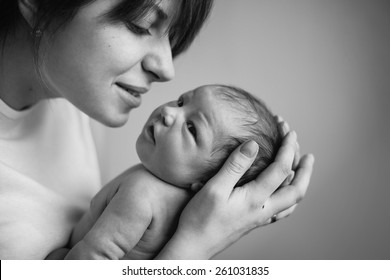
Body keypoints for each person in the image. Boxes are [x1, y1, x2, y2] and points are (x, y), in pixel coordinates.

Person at [0, 0, 314, 260]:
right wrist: (195, 245)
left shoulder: (75, 106)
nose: (167, 68)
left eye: (171, 34)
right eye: (140, 23)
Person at [68, 84, 284, 259]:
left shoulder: (140, 194)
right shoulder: (193, 213)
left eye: (191, 128)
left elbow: (94, 257)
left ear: (208, 182)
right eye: (181, 101)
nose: (168, 112)